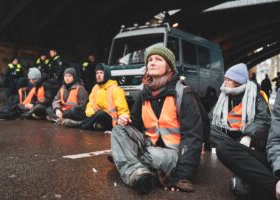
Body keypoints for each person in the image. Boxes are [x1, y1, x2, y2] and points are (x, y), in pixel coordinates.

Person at [111, 47, 203, 193]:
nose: (152, 63)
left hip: (173, 153)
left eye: (158, 59)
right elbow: (134, 126)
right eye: (150, 60)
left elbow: (193, 137)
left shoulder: (184, 94)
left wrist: (181, 176)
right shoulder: (144, 93)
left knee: (129, 153)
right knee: (118, 130)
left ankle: (130, 165)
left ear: (169, 67)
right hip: (149, 146)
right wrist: (126, 122)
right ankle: (140, 174)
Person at [210, 63, 271, 199]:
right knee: (208, 129)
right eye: (224, 78)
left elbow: (264, 119)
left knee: (240, 189)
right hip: (229, 136)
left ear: (238, 82)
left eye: (228, 79)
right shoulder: (224, 94)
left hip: (248, 139)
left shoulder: (256, 95)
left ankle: (238, 160)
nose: (224, 81)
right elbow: (211, 119)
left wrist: (248, 135)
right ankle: (233, 153)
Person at [76, 63, 130, 131]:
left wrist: (123, 120)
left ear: (107, 74)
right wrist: (90, 112)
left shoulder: (116, 89)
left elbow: (123, 109)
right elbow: (90, 104)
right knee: (76, 110)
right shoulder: (95, 88)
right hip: (95, 115)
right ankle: (95, 125)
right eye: (97, 73)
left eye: (101, 73)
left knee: (100, 114)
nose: (98, 75)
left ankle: (80, 124)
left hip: (111, 121)